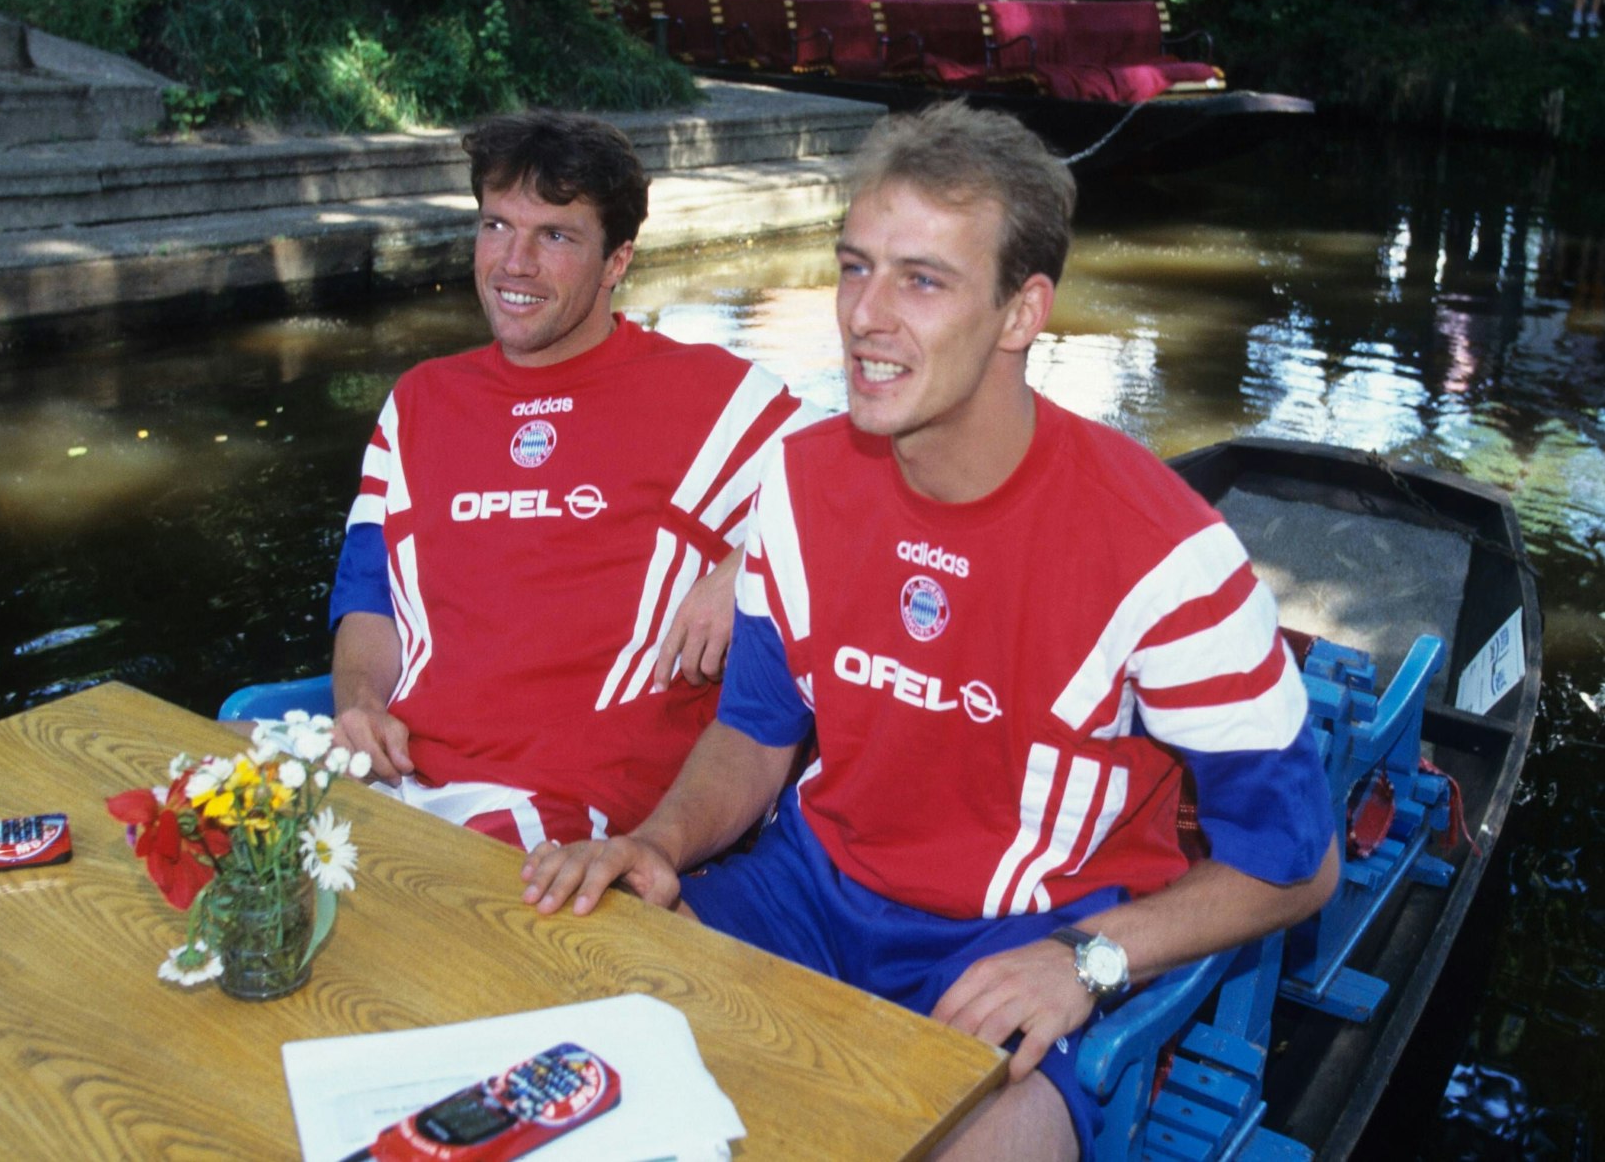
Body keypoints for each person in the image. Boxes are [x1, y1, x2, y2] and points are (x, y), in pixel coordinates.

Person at [521, 103, 1339, 1161]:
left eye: (921, 279)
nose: (864, 315)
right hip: (807, 896)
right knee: (556, 1045)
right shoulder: (798, 480)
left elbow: (1297, 865)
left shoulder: (1162, 555)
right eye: (853, 266)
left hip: (1015, 939)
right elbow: (756, 735)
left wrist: (1087, 961)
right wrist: (657, 841)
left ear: (1018, 311)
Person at [325, 110, 816, 852]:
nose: (513, 263)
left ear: (617, 261)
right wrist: (359, 703)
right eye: (496, 226)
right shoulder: (420, 401)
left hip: (566, 819)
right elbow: (369, 593)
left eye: (554, 236)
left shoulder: (716, 402)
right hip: (399, 775)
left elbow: (887, 494)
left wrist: (749, 563)